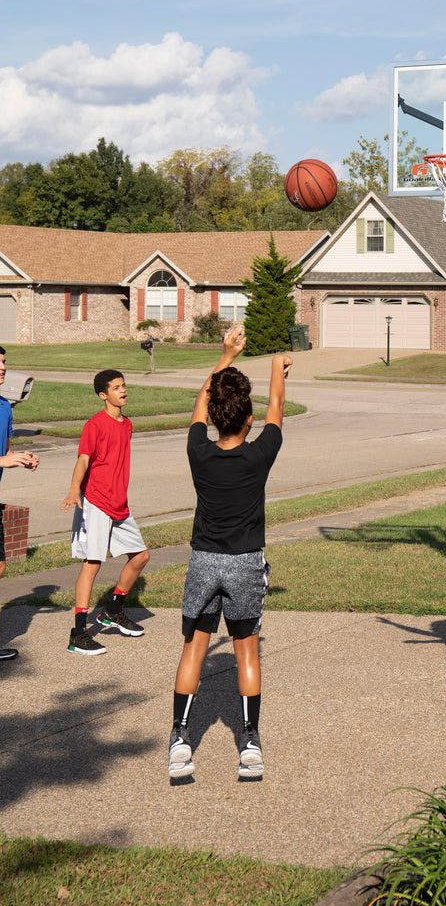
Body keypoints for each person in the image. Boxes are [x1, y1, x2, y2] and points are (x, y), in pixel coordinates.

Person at [168, 326, 291, 782]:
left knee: (193, 652)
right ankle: (250, 743)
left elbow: (201, 404)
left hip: (203, 561)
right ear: (247, 420)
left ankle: (180, 739)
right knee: (247, 654)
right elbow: (277, 409)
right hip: (244, 565)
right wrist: (279, 369)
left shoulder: (198, 451)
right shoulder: (260, 455)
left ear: (217, 415)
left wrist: (224, 356)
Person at [60, 369, 149, 655]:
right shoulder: (94, 425)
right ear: (103, 395)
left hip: (119, 504)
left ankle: (112, 610)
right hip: (95, 502)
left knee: (141, 556)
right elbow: (83, 460)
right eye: (115, 387)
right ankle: (78, 633)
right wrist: (75, 489)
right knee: (93, 563)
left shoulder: (127, 425)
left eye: (123, 385)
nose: (123, 390)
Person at [0, 345, 40, 662]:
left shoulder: (5, 408)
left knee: (0, 566)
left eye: (4, 363)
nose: (3, 368)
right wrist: (6, 460)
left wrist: (21, 459)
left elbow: (6, 452)